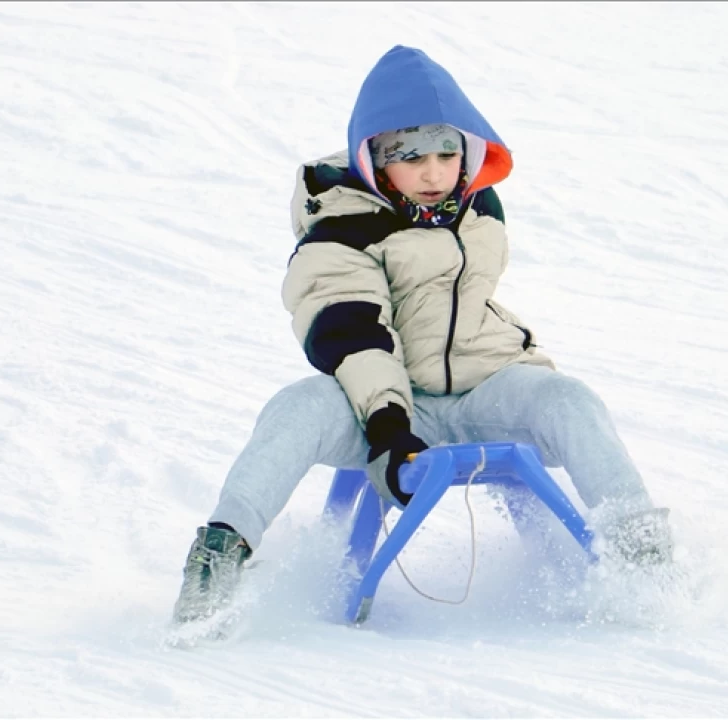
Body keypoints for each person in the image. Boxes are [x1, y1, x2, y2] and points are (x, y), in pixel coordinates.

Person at [172, 45, 673, 624]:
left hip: (483, 390)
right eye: (411, 157)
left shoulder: (474, 203)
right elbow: (354, 334)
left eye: (446, 153)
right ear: (376, 160)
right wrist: (389, 430)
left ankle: (645, 562)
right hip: (388, 405)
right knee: (296, 409)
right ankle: (220, 556)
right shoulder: (342, 227)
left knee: (571, 401)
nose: (434, 172)